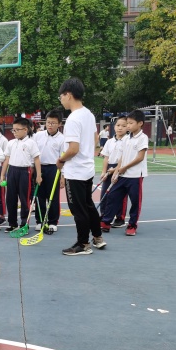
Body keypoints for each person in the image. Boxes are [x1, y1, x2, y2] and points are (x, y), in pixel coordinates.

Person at [56, 77, 106, 255]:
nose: (61, 100)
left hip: (76, 171)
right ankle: (97, 237)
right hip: (87, 168)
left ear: (68, 95)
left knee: (78, 209)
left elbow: (73, 149)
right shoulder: (88, 114)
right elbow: (94, 138)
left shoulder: (73, 119)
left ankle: (83, 244)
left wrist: (61, 160)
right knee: (88, 204)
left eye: (61, 96)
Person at [100, 109, 149, 237]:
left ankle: (132, 225)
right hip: (122, 174)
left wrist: (124, 168)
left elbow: (140, 157)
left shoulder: (143, 138)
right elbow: (122, 157)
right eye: (127, 123)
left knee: (135, 201)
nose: (128, 126)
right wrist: (117, 171)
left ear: (140, 123)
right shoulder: (127, 139)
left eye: (131, 123)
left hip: (135, 176)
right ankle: (106, 222)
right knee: (112, 196)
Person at [1, 117, 42, 233]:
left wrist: (38, 175)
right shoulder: (11, 143)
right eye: (13, 130)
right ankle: (12, 224)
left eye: (17, 130)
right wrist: (3, 174)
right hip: (12, 171)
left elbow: (37, 159)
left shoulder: (31, 143)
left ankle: (24, 224)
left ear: (25, 130)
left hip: (25, 172)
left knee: (24, 199)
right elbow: (6, 159)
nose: (14, 132)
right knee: (10, 199)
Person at [33, 110, 66, 233]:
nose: (50, 125)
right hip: (39, 168)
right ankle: (40, 221)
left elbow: (63, 158)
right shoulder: (38, 136)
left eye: (53, 123)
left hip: (54, 169)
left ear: (59, 124)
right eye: (48, 122)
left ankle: (52, 221)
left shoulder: (62, 139)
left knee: (53, 196)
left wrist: (62, 176)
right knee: (39, 196)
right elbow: (33, 154)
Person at [99, 116, 129, 228]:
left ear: (128, 127)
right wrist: (104, 172)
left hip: (121, 169)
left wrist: (116, 170)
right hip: (109, 168)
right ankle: (104, 215)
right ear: (114, 126)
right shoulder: (109, 141)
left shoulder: (128, 141)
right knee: (105, 194)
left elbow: (125, 158)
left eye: (123, 126)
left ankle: (120, 218)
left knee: (119, 195)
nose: (120, 128)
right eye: (118, 125)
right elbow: (106, 158)